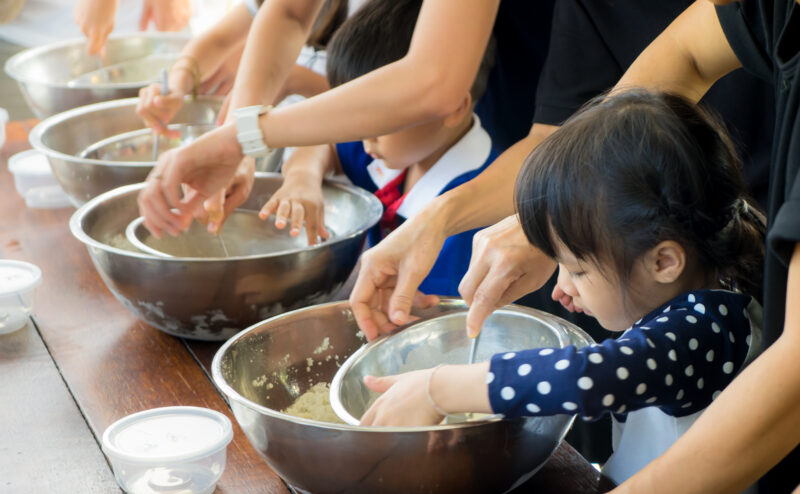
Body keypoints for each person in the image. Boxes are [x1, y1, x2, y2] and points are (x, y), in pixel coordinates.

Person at [358, 90, 766, 487]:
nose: (560, 289)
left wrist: (437, 390)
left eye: (578, 270)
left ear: (663, 262)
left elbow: (591, 377)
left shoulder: (710, 328)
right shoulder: (694, 291)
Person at [136, 0, 555, 238]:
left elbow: (435, 82)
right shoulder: (383, 149)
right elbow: (289, 13)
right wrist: (238, 139)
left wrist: (241, 138)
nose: (367, 141)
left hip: (541, 81)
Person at [259, 0, 497, 296]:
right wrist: (302, 179)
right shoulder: (398, 150)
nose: (361, 138)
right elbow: (325, 147)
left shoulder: (477, 212)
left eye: (378, 122)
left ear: (450, 107)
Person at [135, 0, 347, 137]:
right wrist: (177, 83)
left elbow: (374, 103)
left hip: (338, 156)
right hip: (284, 152)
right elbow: (219, 39)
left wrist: (293, 81)